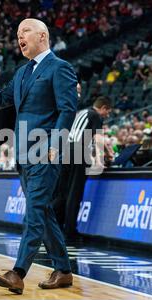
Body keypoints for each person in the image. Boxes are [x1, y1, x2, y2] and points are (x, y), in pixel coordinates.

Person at [0, 18, 77, 294]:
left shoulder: (60, 68)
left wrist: (57, 142)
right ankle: (63, 270)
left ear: (42, 36)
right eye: (17, 33)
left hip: (46, 151)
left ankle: (18, 273)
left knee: (34, 212)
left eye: (24, 31)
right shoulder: (22, 72)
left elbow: (67, 110)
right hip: (24, 155)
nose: (19, 36)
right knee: (43, 211)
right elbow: (0, 100)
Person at [54, 96, 112, 237]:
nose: (107, 115)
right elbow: (97, 138)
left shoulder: (82, 112)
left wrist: (108, 152)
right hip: (79, 152)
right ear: (103, 108)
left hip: (67, 150)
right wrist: (99, 161)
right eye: (108, 112)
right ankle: (70, 230)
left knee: (63, 192)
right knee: (75, 192)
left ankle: (55, 227)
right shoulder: (96, 115)